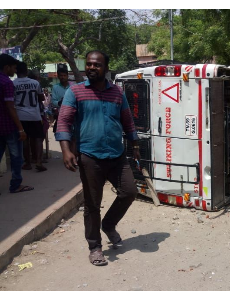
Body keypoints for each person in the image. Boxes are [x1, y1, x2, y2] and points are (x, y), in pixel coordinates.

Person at [56, 50, 140, 266]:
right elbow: (64, 121)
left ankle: (109, 224)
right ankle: (95, 247)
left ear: (106, 68)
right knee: (92, 204)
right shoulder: (75, 92)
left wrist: (135, 143)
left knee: (129, 191)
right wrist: (66, 149)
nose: (92, 68)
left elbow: (127, 119)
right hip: (90, 157)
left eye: (97, 65)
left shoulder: (117, 93)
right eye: (89, 64)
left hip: (116, 154)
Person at [0, 54, 34, 193]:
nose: (14, 71)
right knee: (16, 158)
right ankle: (15, 185)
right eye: (13, 68)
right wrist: (21, 129)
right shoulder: (7, 82)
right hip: (9, 126)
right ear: (7, 67)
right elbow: (10, 107)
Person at [13, 62, 47, 172]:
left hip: (20, 116)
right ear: (26, 71)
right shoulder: (35, 83)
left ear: (16, 71)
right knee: (38, 138)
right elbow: (41, 98)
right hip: (35, 115)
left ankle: (27, 163)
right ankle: (39, 161)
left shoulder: (13, 84)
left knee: (24, 140)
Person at [51, 64, 72, 133]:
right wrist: (60, 102)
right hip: (61, 115)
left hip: (73, 115)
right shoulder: (55, 87)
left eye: (64, 75)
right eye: (61, 75)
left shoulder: (73, 86)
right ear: (58, 76)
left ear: (67, 76)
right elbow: (53, 101)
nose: (63, 77)